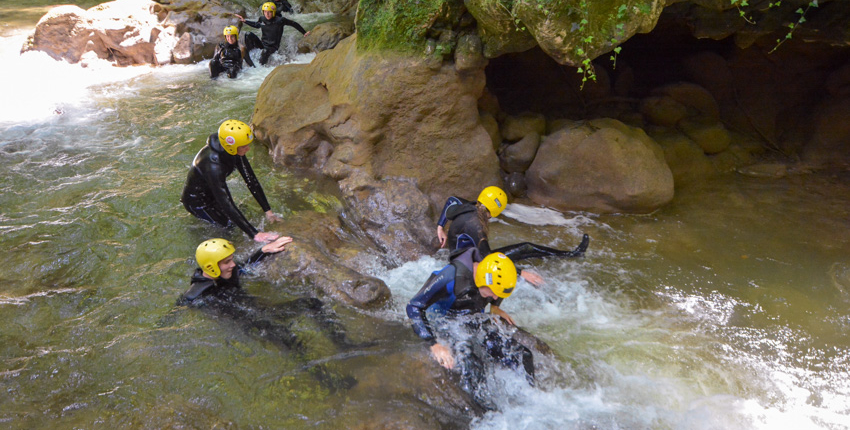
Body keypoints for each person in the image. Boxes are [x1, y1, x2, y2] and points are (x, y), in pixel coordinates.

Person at [178, 237, 357, 391]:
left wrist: (264, 250)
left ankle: (344, 343)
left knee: (312, 303)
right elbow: (179, 308)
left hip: (260, 309)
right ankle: (329, 383)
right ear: (211, 266)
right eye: (227, 262)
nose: (232, 264)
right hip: (248, 323)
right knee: (289, 339)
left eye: (231, 259)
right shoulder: (195, 293)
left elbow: (244, 265)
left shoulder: (228, 272)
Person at [406, 249, 535, 396]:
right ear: (482, 279)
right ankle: (486, 415)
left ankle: (531, 398)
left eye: (497, 295)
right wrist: (433, 344)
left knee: (523, 356)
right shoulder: (452, 277)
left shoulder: (492, 280)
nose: (494, 296)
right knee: (473, 367)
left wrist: (495, 307)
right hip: (445, 321)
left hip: (472, 319)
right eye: (492, 292)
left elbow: (498, 290)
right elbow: (413, 306)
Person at [436, 186, 590, 285]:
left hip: (462, 254)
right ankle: (573, 254)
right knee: (525, 248)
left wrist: (440, 227)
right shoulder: (476, 226)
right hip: (465, 263)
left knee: (524, 249)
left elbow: (451, 200)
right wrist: (521, 273)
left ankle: (568, 255)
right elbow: (488, 256)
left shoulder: (470, 206)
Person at [181, 119, 282, 242]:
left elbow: (251, 180)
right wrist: (255, 234)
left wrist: (268, 212)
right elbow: (225, 201)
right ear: (232, 147)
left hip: (212, 193)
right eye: (244, 146)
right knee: (228, 228)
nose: (248, 149)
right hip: (198, 202)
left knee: (238, 217)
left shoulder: (233, 150)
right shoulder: (213, 165)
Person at [235, 2, 309, 66]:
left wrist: (304, 32)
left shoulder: (280, 20)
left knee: (265, 51)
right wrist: (244, 21)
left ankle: (258, 68)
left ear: (273, 12)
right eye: (265, 12)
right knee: (248, 35)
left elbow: (294, 24)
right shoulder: (262, 19)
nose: (267, 14)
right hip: (262, 44)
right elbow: (256, 25)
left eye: (269, 12)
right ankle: (250, 59)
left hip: (272, 47)